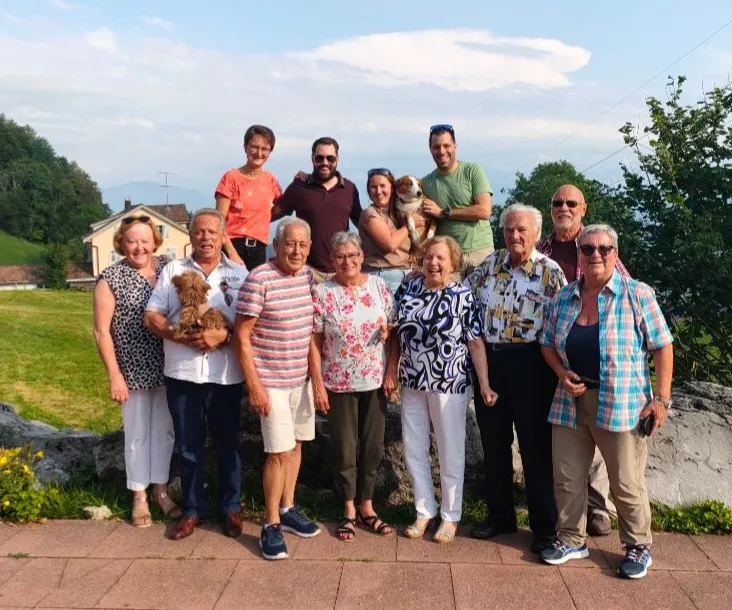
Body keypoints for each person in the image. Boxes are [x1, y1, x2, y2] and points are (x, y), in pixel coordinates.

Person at [539, 224, 674, 580]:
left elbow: (662, 345)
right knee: (567, 476)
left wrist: (661, 399)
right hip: (571, 400)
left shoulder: (637, 294)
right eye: (587, 249)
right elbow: (547, 343)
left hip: (621, 402)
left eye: (603, 248)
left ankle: (638, 545)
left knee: (626, 481)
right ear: (579, 256)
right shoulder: (564, 297)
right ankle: (571, 538)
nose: (595, 254)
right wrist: (560, 373)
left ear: (615, 253)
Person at [464, 203, 565, 554]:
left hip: (532, 363)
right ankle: (500, 516)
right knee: (493, 443)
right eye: (508, 229)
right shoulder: (490, 265)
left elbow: (563, 319)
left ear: (536, 233)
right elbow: (463, 299)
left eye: (522, 229)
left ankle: (544, 527)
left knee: (535, 447)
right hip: (490, 362)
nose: (514, 235)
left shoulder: (549, 271)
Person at [384, 236, 497, 543]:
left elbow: (475, 342)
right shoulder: (408, 288)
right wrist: (392, 369)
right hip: (412, 381)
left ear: (453, 263)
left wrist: (484, 384)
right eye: (429, 257)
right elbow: (394, 332)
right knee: (414, 447)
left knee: (450, 450)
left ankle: (450, 515)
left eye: (440, 258)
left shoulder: (462, 295)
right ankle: (424, 511)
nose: (433, 263)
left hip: (449, 382)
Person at [144, 208, 248, 541]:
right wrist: (181, 336)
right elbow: (152, 315)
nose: (206, 238)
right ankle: (192, 511)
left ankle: (230, 507)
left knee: (228, 444)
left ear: (223, 236)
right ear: (190, 236)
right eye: (199, 231)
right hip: (183, 373)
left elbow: (250, 323)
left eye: (212, 232)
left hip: (226, 375)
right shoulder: (173, 270)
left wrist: (224, 335)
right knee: (188, 446)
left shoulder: (240, 274)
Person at [537, 183, 628, 537]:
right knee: (565, 437)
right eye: (557, 202)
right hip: (551, 352)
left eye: (571, 203)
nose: (564, 207)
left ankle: (599, 508)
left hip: (591, 355)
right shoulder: (541, 247)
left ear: (583, 208)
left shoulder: (596, 244)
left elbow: (624, 292)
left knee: (599, 431)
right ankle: (567, 510)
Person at [234, 217, 321, 560]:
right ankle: (270, 524)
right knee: (278, 452)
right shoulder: (259, 279)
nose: (296, 250)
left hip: (300, 380)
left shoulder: (308, 277)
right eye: (290, 243)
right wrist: (254, 385)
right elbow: (241, 337)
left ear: (309, 248)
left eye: (302, 244)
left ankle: (287, 508)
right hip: (271, 382)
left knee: (296, 445)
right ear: (276, 245)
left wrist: (316, 380)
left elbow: (311, 333)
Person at [93, 216, 180, 527]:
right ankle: (139, 496)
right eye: (132, 241)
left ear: (155, 241)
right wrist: (114, 375)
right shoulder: (110, 277)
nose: (139, 247)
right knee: (137, 434)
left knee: (165, 432)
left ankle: (161, 491)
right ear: (121, 244)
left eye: (145, 240)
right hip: (132, 369)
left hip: (169, 364)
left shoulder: (169, 268)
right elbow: (101, 332)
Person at [311, 232, 395, 541]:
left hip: (375, 380)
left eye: (352, 255)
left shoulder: (379, 287)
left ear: (362, 257)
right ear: (332, 260)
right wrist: (317, 383)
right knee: (344, 448)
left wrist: (391, 370)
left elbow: (393, 329)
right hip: (338, 381)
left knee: (372, 446)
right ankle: (348, 508)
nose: (347, 261)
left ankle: (367, 507)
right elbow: (314, 340)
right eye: (340, 256)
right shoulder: (322, 292)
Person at [272, 137, 362, 282]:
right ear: (312, 159)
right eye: (319, 158)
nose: (325, 163)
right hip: (307, 271)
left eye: (330, 158)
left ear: (337, 160)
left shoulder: (349, 189)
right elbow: (273, 213)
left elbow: (362, 224)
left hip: (341, 270)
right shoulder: (299, 187)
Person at [420, 124, 493, 276]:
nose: (441, 151)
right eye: (436, 147)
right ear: (430, 149)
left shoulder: (473, 171)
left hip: (480, 253)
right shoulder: (425, 184)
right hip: (447, 258)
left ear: (455, 146)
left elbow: (484, 211)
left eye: (446, 146)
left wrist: (443, 213)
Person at [215, 125, 282, 270]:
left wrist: (303, 178)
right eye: (254, 147)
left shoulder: (271, 181)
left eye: (265, 149)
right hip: (232, 245)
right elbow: (218, 221)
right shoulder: (231, 178)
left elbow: (282, 207)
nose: (259, 153)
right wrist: (231, 253)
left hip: (259, 249)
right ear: (245, 147)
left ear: (270, 152)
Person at [358, 168, 415, 294]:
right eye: (373, 187)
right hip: (383, 277)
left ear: (392, 188)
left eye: (382, 186)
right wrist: (410, 225)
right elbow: (390, 244)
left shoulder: (398, 214)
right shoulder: (370, 214)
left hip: (407, 275)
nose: (378, 191)